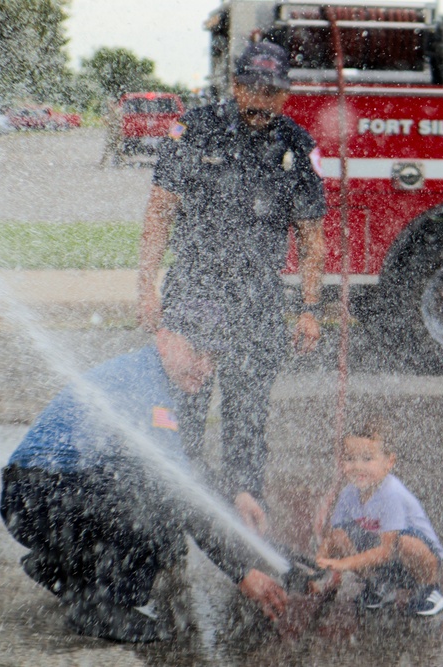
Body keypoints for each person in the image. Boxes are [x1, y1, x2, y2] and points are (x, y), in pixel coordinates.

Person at [0, 324, 294, 643]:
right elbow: (180, 493)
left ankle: (59, 567)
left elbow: (189, 470)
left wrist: (235, 494)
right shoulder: (147, 389)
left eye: (213, 359)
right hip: (39, 497)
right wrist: (242, 573)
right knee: (157, 508)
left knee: (150, 497)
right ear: (164, 340)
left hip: (34, 499)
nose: (206, 368)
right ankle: (101, 608)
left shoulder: (152, 375)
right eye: (196, 353)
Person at [137, 39, 327, 528]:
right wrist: (145, 289)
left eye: (273, 92)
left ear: (286, 95)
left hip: (258, 300)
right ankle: (172, 526)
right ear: (236, 86)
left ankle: (246, 524)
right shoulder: (194, 131)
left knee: (248, 420)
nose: (263, 101)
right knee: (183, 416)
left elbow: (312, 239)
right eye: (253, 89)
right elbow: (159, 212)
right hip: (193, 294)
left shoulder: (297, 146)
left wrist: (310, 308)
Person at [315, 417, 443, 617]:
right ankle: (379, 584)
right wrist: (319, 562)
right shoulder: (348, 494)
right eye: (350, 459)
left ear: (389, 462)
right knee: (340, 537)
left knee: (405, 542)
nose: (358, 466)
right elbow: (334, 536)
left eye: (367, 459)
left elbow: (386, 551)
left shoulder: (391, 493)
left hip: (418, 560)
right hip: (387, 563)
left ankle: (430, 589)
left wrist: (344, 564)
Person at [98, 98, 122, 168]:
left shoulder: (118, 111)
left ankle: (120, 162)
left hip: (116, 132)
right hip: (111, 132)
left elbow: (117, 121)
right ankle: (103, 163)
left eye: (110, 103)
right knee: (109, 148)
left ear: (114, 103)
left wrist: (108, 120)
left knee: (116, 149)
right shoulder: (110, 111)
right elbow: (105, 120)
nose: (109, 106)